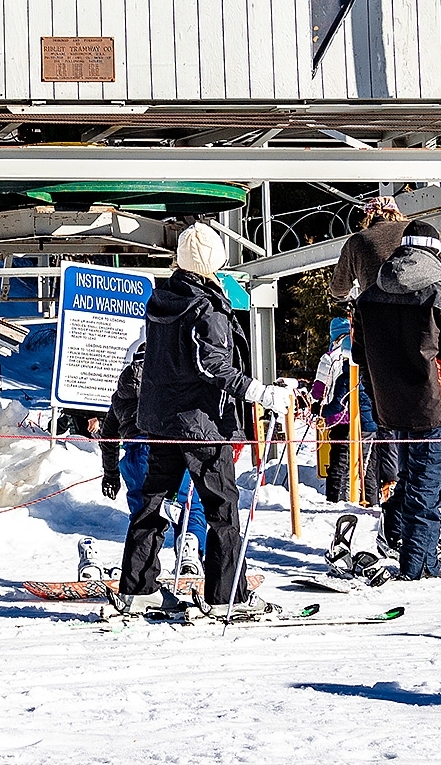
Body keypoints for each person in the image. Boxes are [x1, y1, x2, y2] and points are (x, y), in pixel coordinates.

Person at [112, 223, 294, 619]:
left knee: (153, 504)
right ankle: (227, 596)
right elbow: (212, 364)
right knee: (222, 509)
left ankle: (138, 587)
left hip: (160, 421)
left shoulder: (162, 302)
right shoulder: (206, 308)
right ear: (215, 261)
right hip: (201, 424)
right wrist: (259, 392)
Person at [353, 221, 441, 578]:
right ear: (434, 252)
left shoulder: (368, 297)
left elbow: (361, 355)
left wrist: (375, 397)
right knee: (426, 488)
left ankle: (397, 532)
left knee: (414, 477)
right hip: (433, 406)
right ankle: (419, 564)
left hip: (391, 406)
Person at [97, 340, 209, 576]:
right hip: (170, 450)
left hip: (135, 456)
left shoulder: (120, 395)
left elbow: (107, 437)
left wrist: (111, 475)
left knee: (144, 514)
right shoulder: (171, 384)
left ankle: (140, 572)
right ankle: (189, 551)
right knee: (190, 505)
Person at [327, 197, 441, 303]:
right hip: (423, 308)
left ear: (368, 217)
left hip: (378, 313)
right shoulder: (418, 230)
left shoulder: (357, 241)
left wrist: (343, 300)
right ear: (397, 213)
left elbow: (339, 287)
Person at [308, 316, 394, 504]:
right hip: (370, 423)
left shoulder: (332, 360)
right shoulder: (370, 365)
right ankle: (371, 500)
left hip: (343, 421)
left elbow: (320, 390)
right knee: (366, 465)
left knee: (341, 465)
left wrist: (318, 408)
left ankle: (339, 502)